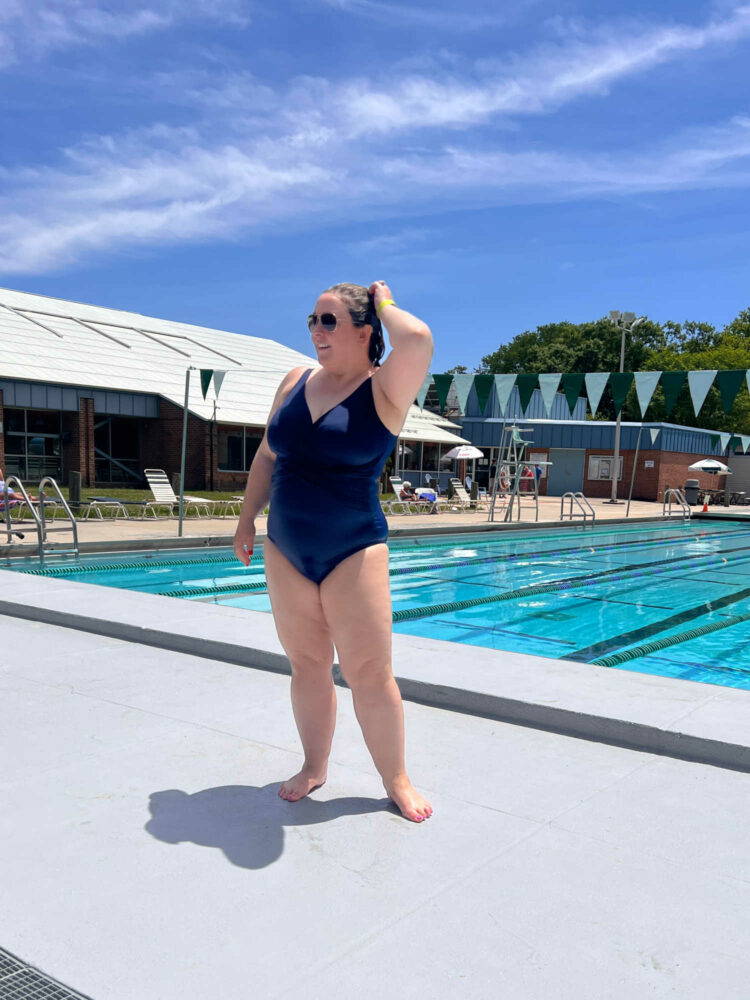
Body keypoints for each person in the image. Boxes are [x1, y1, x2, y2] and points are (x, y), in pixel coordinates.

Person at [233, 281, 433, 823]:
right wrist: (248, 516)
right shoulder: (296, 380)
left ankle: (396, 778)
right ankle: (314, 765)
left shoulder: (386, 389)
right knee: (307, 665)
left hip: (354, 550)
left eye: (328, 321)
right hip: (286, 548)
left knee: (369, 671)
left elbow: (416, 338)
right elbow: (268, 454)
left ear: (365, 331)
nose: (315, 331)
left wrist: (385, 301)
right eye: (312, 321)